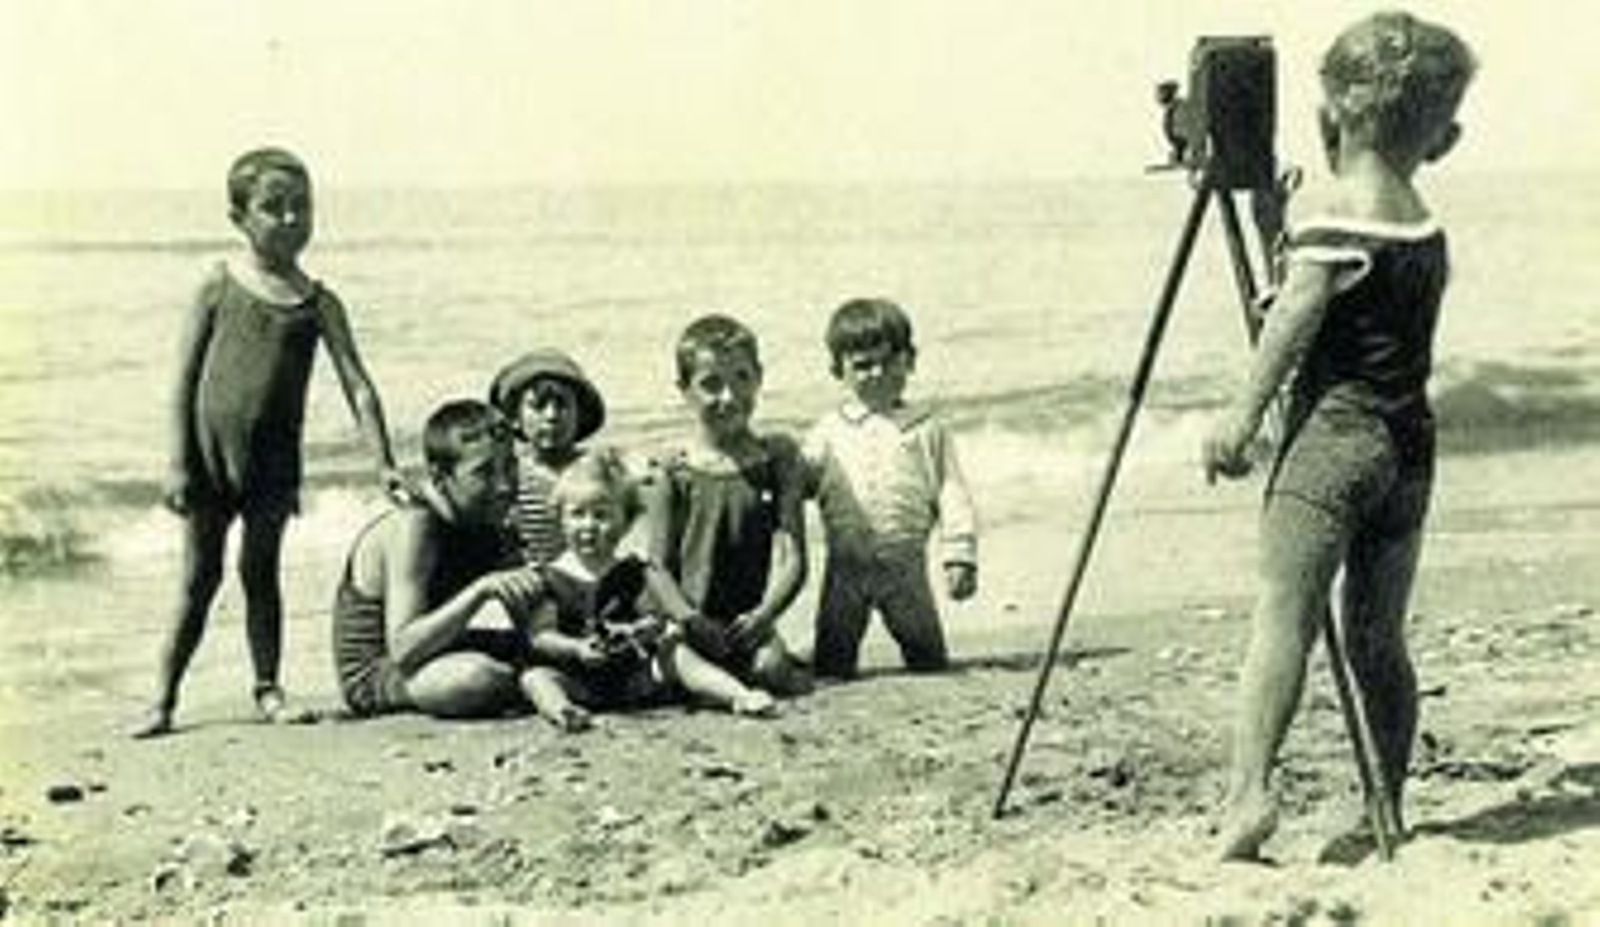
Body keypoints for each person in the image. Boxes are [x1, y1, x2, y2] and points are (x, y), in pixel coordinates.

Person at [1201, 11, 1476, 861]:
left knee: (1282, 615)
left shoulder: (1333, 214)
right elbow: (1343, 307)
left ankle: (1249, 793)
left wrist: (1241, 416)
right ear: (1445, 139)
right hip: (1408, 447)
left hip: (1334, 441)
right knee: (1377, 637)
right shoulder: (1423, 224)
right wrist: (1275, 229)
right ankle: (1385, 799)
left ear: (1333, 116)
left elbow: (1293, 319)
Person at [133, 148, 406, 738]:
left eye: (302, 207)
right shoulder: (217, 285)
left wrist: (383, 463)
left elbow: (359, 387)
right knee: (198, 580)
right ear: (239, 217)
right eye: (273, 207)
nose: (290, 219)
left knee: (261, 575)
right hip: (209, 459)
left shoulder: (319, 302)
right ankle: (162, 698)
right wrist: (177, 461)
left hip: (273, 464)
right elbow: (182, 381)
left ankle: (267, 688)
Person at [520, 449, 778, 732]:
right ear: (559, 519)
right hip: (577, 679)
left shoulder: (633, 571)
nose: (589, 525)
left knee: (677, 655)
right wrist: (576, 648)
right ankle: (565, 711)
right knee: (536, 678)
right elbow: (540, 635)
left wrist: (637, 632)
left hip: (633, 676)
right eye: (577, 514)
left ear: (626, 522)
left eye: (601, 515)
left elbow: (656, 619)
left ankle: (738, 695)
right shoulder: (551, 577)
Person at [331, 399, 546, 719]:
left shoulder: (488, 518)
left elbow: (532, 614)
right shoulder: (416, 525)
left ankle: (538, 684)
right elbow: (403, 649)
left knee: (561, 654)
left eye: (510, 466)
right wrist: (481, 590)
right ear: (440, 476)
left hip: (444, 648)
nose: (504, 485)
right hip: (383, 672)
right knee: (478, 679)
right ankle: (531, 686)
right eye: (484, 472)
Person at [803, 298, 978, 679]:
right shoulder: (829, 429)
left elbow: (952, 492)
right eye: (863, 365)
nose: (878, 373)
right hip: (845, 566)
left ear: (909, 360)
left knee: (927, 658)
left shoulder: (927, 428)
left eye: (889, 361)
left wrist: (960, 555)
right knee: (832, 662)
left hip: (905, 564)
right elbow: (801, 480)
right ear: (838, 371)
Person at [640, 314, 812, 696]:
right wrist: (690, 619)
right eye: (711, 384)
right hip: (687, 622)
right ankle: (725, 688)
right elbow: (656, 567)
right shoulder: (674, 468)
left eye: (741, 378)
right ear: (684, 390)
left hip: (744, 623)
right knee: (673, 670)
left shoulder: (776, 458)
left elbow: (794, 559)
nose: (729, 397)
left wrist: (764, 616)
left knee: (771, 670)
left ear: (759, 377)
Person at [488, 349, 607, 566]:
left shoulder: (601, 469)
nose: (551, 416)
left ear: (580, 414)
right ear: (514, 417)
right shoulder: (509, 476)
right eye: (538, 406)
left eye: (562, 405)